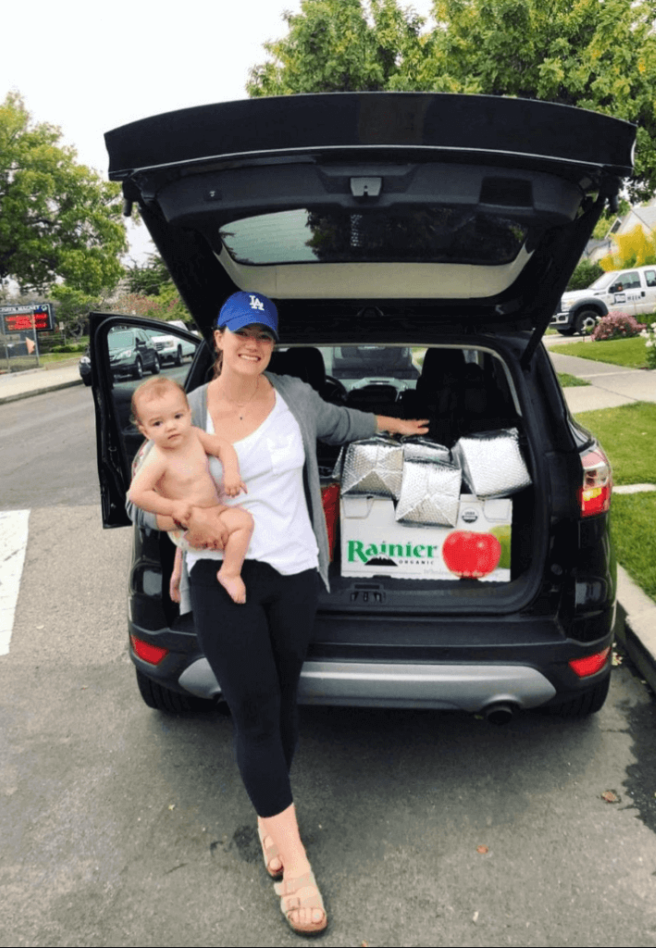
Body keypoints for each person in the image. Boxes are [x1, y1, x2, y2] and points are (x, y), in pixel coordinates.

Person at [127, 290, 428, 935]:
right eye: (242, 333)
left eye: (263, 335)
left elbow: (345, 423)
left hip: (294, 572)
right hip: (220, 575)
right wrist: (181, 517)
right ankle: (295, 863)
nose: (253, 345)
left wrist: (398, 427)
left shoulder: (294, 396)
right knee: (255, 708)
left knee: (284, 699)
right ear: (218, 337)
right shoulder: (188, 408)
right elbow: (138, 494)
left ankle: (271, 817)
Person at [127, 376, 253, 604]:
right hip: (186, 526)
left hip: (213, 509)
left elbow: (223, 446)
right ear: (145, 431)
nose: (171, 426)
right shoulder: (157, 458)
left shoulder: (194, 435)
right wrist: (173, 507)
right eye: (158, 423)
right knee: (242, 524)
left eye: (177, 416)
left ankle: (177, 574)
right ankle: (230, 572)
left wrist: (231, 473)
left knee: (243, 521)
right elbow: (136, 494)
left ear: (188, 412)